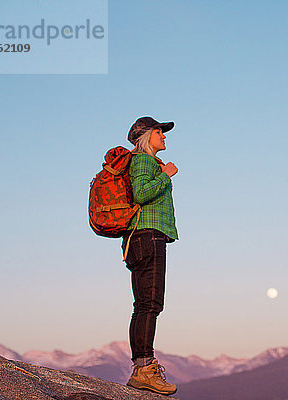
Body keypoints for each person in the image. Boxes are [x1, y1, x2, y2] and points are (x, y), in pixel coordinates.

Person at [121, 116, 179, 395]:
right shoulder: (143, 161)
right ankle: (144, 369)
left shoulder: (147, 162)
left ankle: (143, 366)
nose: (164, 137)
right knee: (150, 304)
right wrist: (166, 174)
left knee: (146, 303)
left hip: (144, 238)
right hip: (148, 236)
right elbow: (141, 193)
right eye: (160, 132)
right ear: (146, 136)